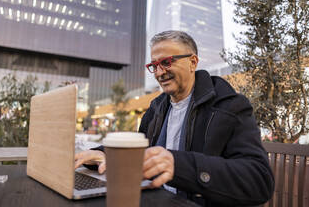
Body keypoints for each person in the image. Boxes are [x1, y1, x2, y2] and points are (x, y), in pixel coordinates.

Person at [75, 30, 274, 206]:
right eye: (154, 65)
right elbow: (142, 151)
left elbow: (259, 181)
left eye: (167, 62)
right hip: (154, 198)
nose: (160, 72)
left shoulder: (229, 106)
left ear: (193, 62)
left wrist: (178, 165)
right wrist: (105, 155)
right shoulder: (157, 107)